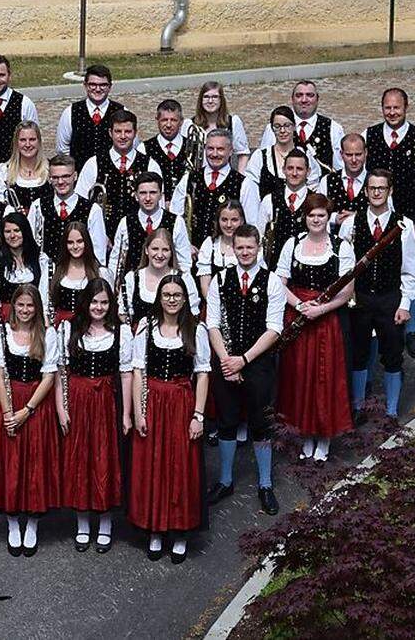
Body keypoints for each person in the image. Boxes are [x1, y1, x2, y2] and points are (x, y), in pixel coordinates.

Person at [128, 275, 210, 563]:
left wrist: (198, 415)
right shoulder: (146, 328)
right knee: (153, 464)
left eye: (177, 294)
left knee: (179, 466)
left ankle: (179, 531)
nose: (171, 299)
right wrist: (139, 411)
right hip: (153, 400)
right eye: (166, 294)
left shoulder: (196, 329)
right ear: (158, 298)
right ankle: (155, 529)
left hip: (180, 403)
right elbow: (138, 372)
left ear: (185, 298)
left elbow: (202, 374)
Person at [205, 225, 286, 516]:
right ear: (232, 249)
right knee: (226, 422)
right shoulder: (220, 279)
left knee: (261, 424)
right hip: (226, 361)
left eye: (250, 247)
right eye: (240, 248)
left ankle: (265, 484)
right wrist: (227, 360)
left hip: (258, 363)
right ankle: (225, 481)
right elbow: (212, 323)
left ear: (258, 247)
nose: (245, 252)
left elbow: (275, 329)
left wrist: (244, 360)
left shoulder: (272, 282)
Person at [363, 87, 415, 359]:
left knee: (410, 269)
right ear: (381, 108)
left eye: (397, 107)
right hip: (377, 219)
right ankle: (377, 323)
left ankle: (412, 329)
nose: (392, 112)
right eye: (387, 107)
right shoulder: (369, 136)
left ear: (406, 108)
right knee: (377, 269)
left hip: (409, 221)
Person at [275, 194, 354, 462]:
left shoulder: (341, 247)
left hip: (326, 322)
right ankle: (306, 434)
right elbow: (280, 282)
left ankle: (324, 436)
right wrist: (299, 306)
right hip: (298, 320)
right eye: (311, 215)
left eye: (321, 215)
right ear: (304, 218)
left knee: (324, 378)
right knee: (300, 377)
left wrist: (319, 309)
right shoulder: (292, 243)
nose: (316, 220)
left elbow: (346, 292)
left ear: (328, 217)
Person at [56, 278, 132, 553]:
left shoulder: (121, 333)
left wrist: (126, 414)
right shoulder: (68, 329)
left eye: (104, 302)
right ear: (85, 303)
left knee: (104, 459)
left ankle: (105, 523)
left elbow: (126, 375)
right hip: (77, 400)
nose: (98, 307)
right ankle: (82, 524)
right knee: (80, 459)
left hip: (105, 402)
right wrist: (62, 408)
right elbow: (61, 373)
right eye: (94, 301)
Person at [339, 169, 415, 420]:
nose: (376, 193)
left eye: (381, 188)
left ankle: (392, 411)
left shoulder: (403, 226)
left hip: (389, 299)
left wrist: (405, 304)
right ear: (365, 191)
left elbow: (410, 271)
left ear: (390, 191)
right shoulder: (350, 225)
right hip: (360, 299)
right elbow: (344, 266)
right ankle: (357, 407)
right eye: (372, 188)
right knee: (359, 353)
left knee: (393, 354)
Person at [0, 284, 61, 556]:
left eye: (30, 306)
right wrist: (8, 413)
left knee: (35, 464)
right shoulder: (1, 333)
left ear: (36, 308)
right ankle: (12, 523)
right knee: (11, 463)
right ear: (13, 307)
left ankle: (32, 524)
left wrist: (26, 411)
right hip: (8, 401)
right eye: (21, 305)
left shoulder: (47, 334)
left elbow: (49, 377)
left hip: (35, 405)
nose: (25, 310)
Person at [74, 109, 160, 238]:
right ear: (110, 133)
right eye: (118, 131)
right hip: (100, 236)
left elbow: (158, 205)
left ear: (135, 133)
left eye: (128, 131)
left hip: (139, 236)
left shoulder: (150, 165)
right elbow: (81, 204)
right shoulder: (93, 164)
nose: (123, 136)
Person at [240, 106, 320, 226]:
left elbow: (313, 191)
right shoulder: (260, 157)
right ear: (272, 128)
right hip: (268, 221)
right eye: (277, 126)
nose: (282, 131)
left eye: (287, 125)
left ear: (294, 127)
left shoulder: (305, 156)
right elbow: (251, 195)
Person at [107, 171, 192, 282]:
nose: (148, 198)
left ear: (161, 195)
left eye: (152, 192)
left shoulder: (176, 222)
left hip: (166, 285)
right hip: (133, 286)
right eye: (143, 193)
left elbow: (184, 262)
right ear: (136, 195)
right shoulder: (125, 222)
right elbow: (116, 260)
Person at [171, 129, 245, 251]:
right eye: (210, 148)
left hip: (227, 253)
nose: (214, 154)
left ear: (231, 151)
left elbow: (250, 224)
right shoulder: (190, 178)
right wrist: (185, 245)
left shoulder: (243, 183)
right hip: (192, 253)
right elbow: (175, 216)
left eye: (220, 149)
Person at [28, 154, 107, 263]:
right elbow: (30, 245)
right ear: (49, 178)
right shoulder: (38, 206)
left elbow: (99, 253)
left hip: (80, 275)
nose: (60, 182)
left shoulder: (93, 209)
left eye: (65, 176)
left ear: (75, 176)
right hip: (45, 274)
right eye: (55, 177)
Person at [0, 213, 50, 330]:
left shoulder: (41, 261)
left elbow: (44, 302)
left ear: (25, 232)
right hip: (4, 325)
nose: (12, 235)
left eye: (17, 230)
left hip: (33, 326)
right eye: (7, 232)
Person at [257, 80, 345, 175]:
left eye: (309, 95)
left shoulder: (334, 129)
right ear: (292, 99)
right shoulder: (273, 128)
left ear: (317, 99)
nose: (304, 100)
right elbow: (264, 164)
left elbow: (340, 169)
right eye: (299, 95)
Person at [119, 227, 201, 327]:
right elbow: (124, 315)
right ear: (146, 250)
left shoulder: (184, 279)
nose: (160, 255)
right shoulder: (132, 278)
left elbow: (193, 314)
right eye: (155, 249)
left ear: (171, 253)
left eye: (165, 250)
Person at [255, 149, 319, 268]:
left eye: (299, 169)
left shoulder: (316, 201)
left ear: (308, 172)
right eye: (290, 168)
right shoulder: (269, 200)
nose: (294, 173)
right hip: (274, 268)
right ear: (283, 170)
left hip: (306, 267)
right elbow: (258, 238)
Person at [55, 64, 124, 171]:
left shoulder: (122, 111)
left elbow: (130, 145)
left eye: (103, 85)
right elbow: (63, 149)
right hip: (80, 174)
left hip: (112, 174)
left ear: (110, 87)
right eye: (93, 84)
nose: (97, 89)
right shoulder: (70, 112)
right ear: (85, 85)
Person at [49, 221, 112, 325]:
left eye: (79, 241)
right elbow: (46, 305)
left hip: (89, 328)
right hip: (60, 328)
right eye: (70, 242)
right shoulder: (55, 271)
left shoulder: (100, 272)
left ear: (86, 242)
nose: (75, 246)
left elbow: (109, 306)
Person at [185, 81, 250, 172]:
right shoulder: (189, 125)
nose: (210, 101)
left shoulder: (233, 122)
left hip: (225, 180)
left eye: (215, 97)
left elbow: (243, 154)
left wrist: (240, 179)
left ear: (221, 100)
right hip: (197, 180)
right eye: (206, 97)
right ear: (201, 100)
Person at [0, 121, 52, 215]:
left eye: (32, 139)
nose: (28, 145)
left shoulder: (50, 169)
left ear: (39, 141)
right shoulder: (4, 170)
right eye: (23, 140)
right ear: (16, 143)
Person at [196, 200, 250, 300]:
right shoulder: (210, 244)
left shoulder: (250, 246)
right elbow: (205, 287)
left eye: (234, 220)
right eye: (224, 220)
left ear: (242, 221)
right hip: (214, 305)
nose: (229, 225)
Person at [143, 99, 191, 199]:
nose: (168, 125)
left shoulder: (193, 147)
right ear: (157, 120)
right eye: (164, 120)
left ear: (181, 121)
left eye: (173, 120)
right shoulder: (144, 148)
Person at [324, 133, 369, 228]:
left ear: (366, 153)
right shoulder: (327, 181)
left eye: (358, 154)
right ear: (341, 154)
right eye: (349, 155)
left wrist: (357, 218)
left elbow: (386, 214)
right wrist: (334, 218)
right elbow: (316, 213)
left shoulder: (376, 181)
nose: (354, 160)